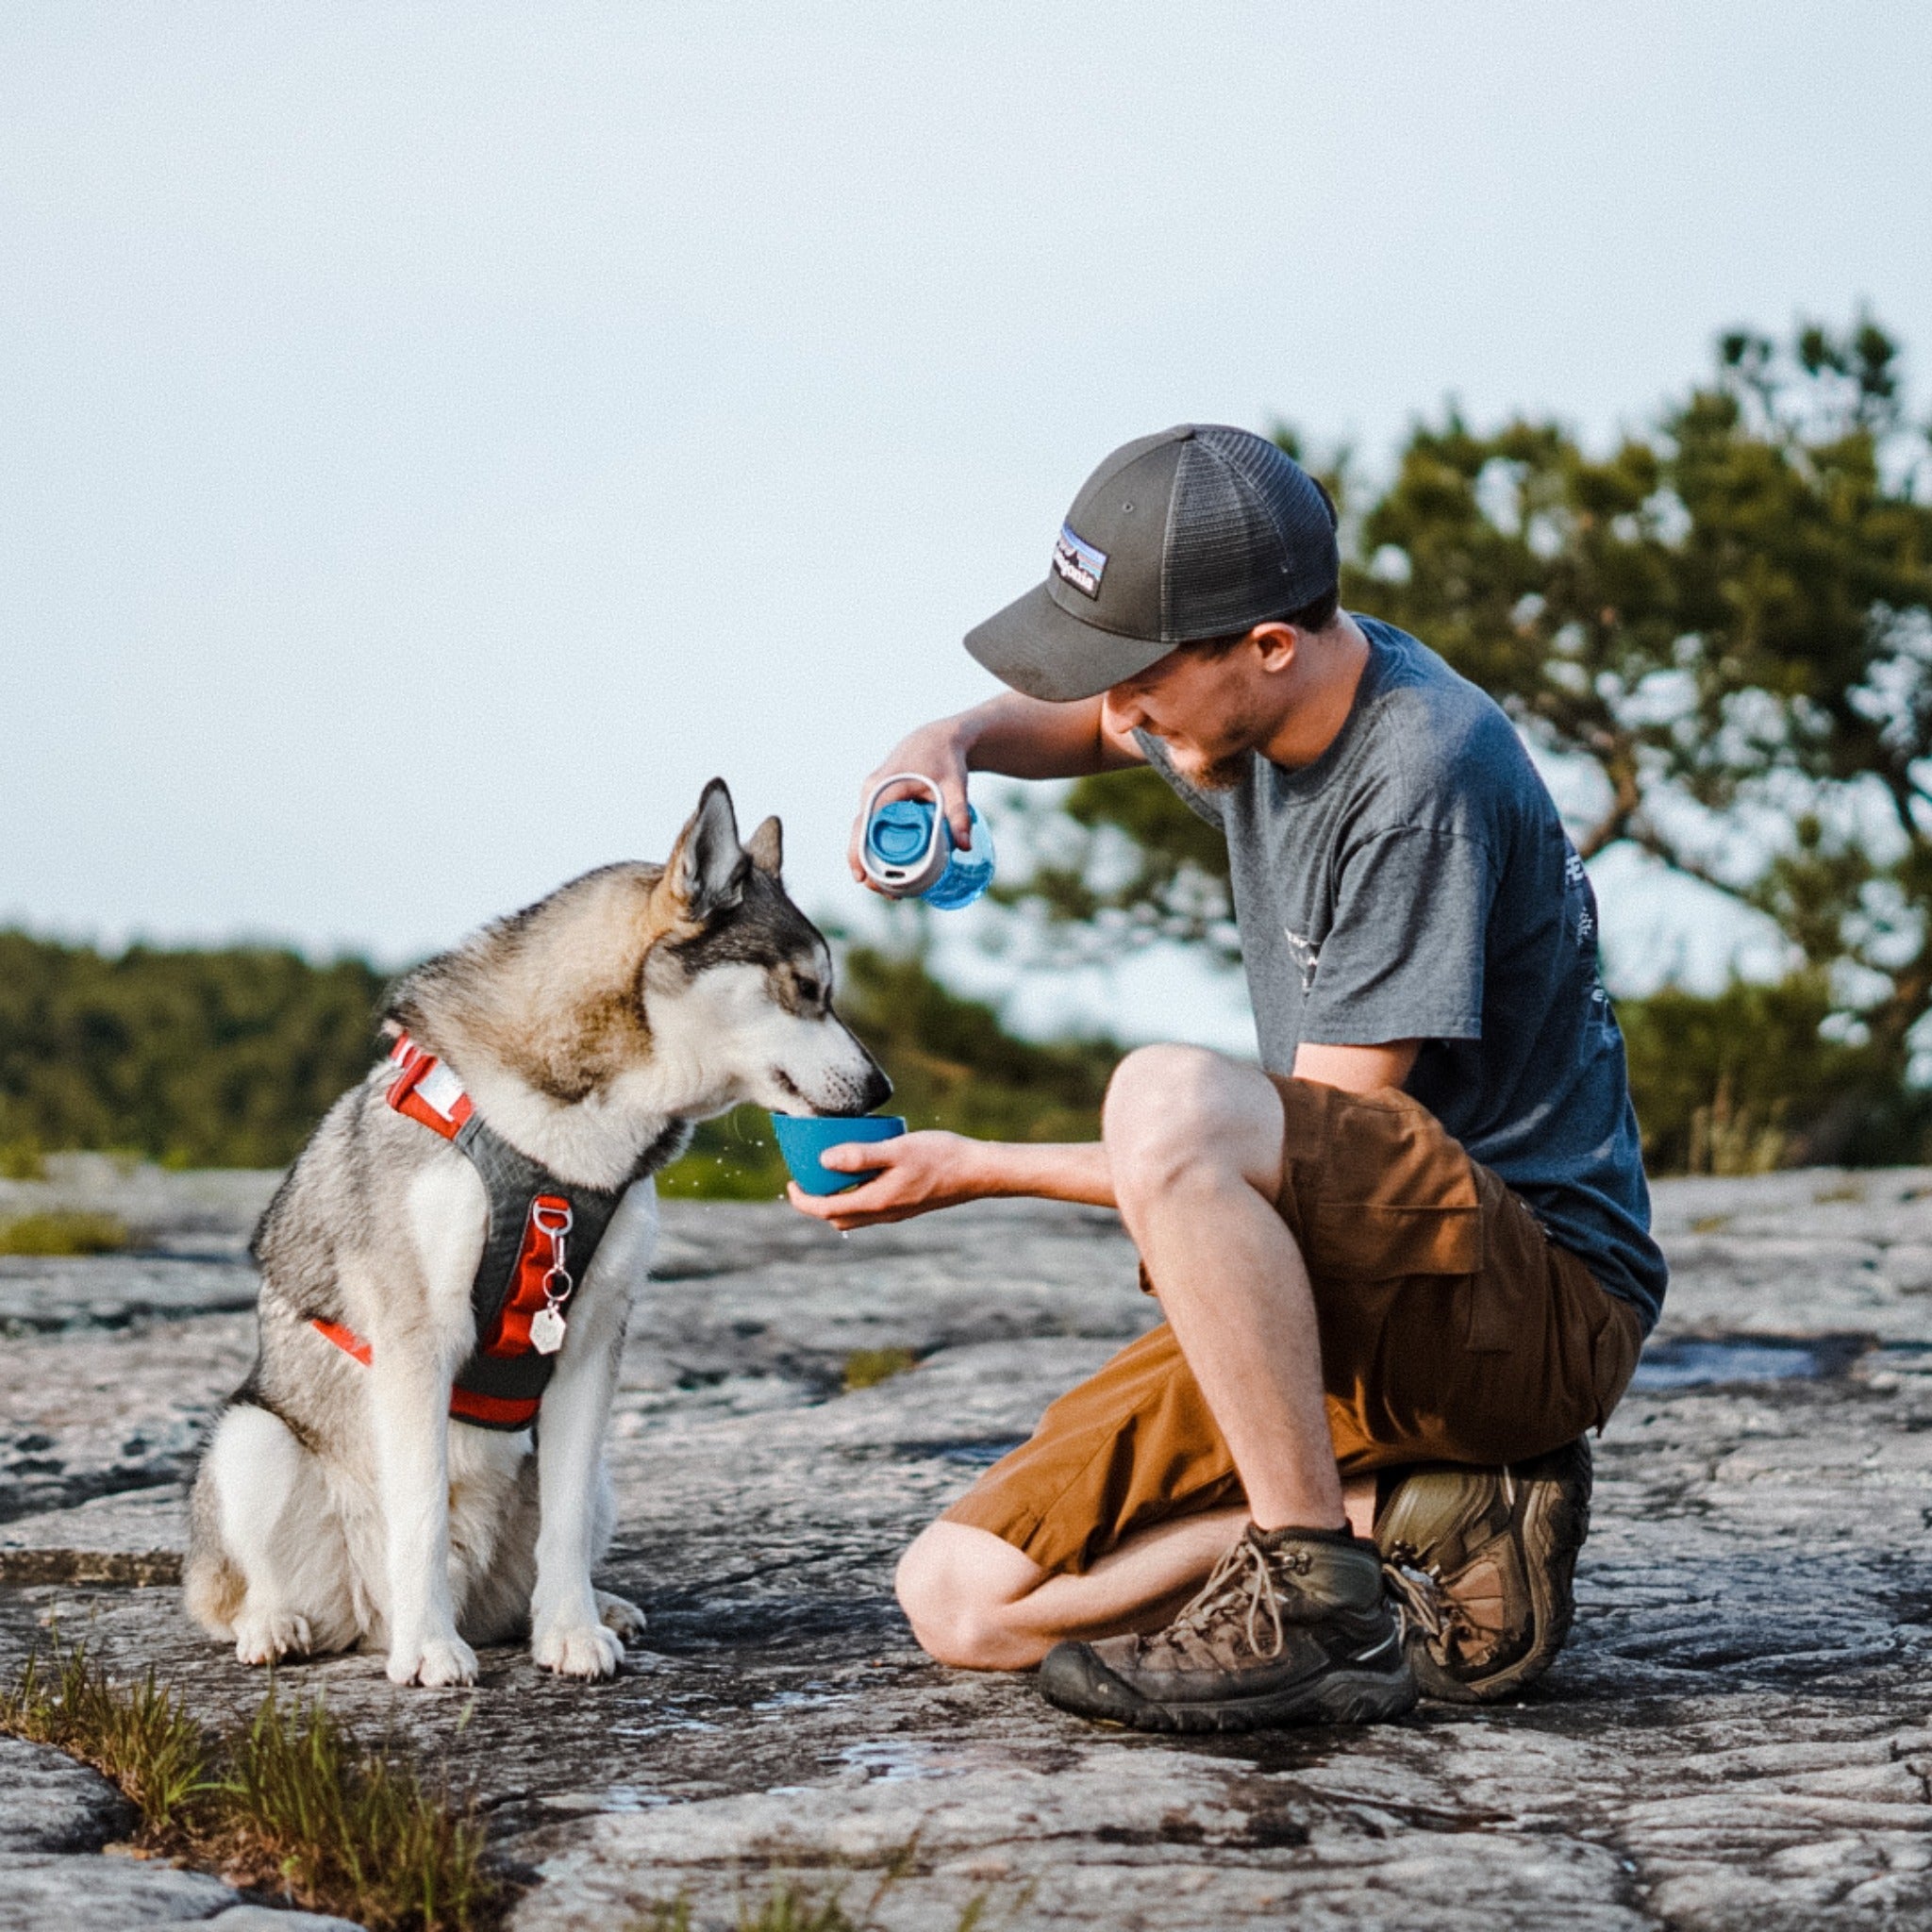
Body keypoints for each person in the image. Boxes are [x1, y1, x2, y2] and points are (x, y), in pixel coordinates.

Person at [792, 424, 1667, 1734]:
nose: (1126, 714)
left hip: (1522, 1303)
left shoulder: (1422, 780)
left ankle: (1320, 1609)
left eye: (1138, 675)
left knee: (1166, 1101)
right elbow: (1091, 722)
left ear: (1267, 646)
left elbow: (1317, 1152)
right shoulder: (1249, 705)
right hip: (1358, 1293)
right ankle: (1426, 1522)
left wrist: (977, 1168)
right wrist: (954, 738)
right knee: (960, 1600)